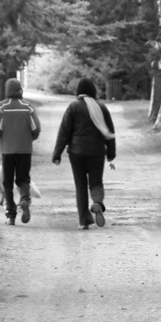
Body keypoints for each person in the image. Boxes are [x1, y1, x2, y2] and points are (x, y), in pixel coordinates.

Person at [52, 78, 116, 230]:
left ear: (78, 92)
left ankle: (85, 220)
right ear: (93, 91)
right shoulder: (101, 107)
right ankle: (97, 203)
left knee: (80, 186)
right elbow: (110, 131)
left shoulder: (73, 107)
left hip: (76, 152)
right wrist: (111, 153)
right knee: (96, 182)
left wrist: (57, 154)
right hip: (97, 152)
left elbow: (64, 132)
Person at [0, 77, 41, 226]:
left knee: (7, 183)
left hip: (7, 150)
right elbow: (36, 128)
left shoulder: (1, 107)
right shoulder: (28, 107)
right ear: (20, 90)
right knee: (23, 178)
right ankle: (25, 198)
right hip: (24, 149)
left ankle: (11, 215)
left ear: (7, 91)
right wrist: (31, 138)